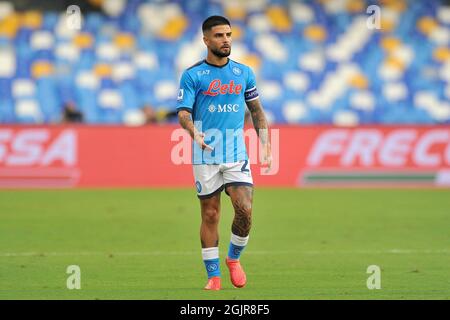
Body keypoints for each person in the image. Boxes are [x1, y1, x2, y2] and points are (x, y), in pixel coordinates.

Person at [176, 16, 271, 290]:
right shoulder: (193, 75)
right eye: (219, 36)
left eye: (228, 34)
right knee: (210, 214)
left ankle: (233, 259)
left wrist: (265, 144)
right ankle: (214, 276)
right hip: (204, 154)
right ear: (206, 40)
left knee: (245, 209)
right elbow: (183, 113)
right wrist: (194, 133)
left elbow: (256, 111)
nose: (225, 39)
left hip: (235, 153)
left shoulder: (244, 73)